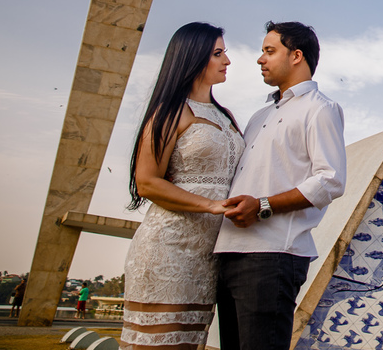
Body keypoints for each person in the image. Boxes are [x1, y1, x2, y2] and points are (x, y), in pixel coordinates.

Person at [215, 21, 347, 350]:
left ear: (297, 56)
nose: (260, 59)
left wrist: (263, 205)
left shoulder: (320, 109)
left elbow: (330, 180)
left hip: (271, 256)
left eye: (269, 51)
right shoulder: (259, 116)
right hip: (229, 252)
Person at [121, 22, 244, 349]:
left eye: (224, 53)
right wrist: (210, 205)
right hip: (168, 249)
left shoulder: (227, 115)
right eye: (218, 53)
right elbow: (146, 182)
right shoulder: (170, 112)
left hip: (207, 257)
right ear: (193, 57)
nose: (227, 61)